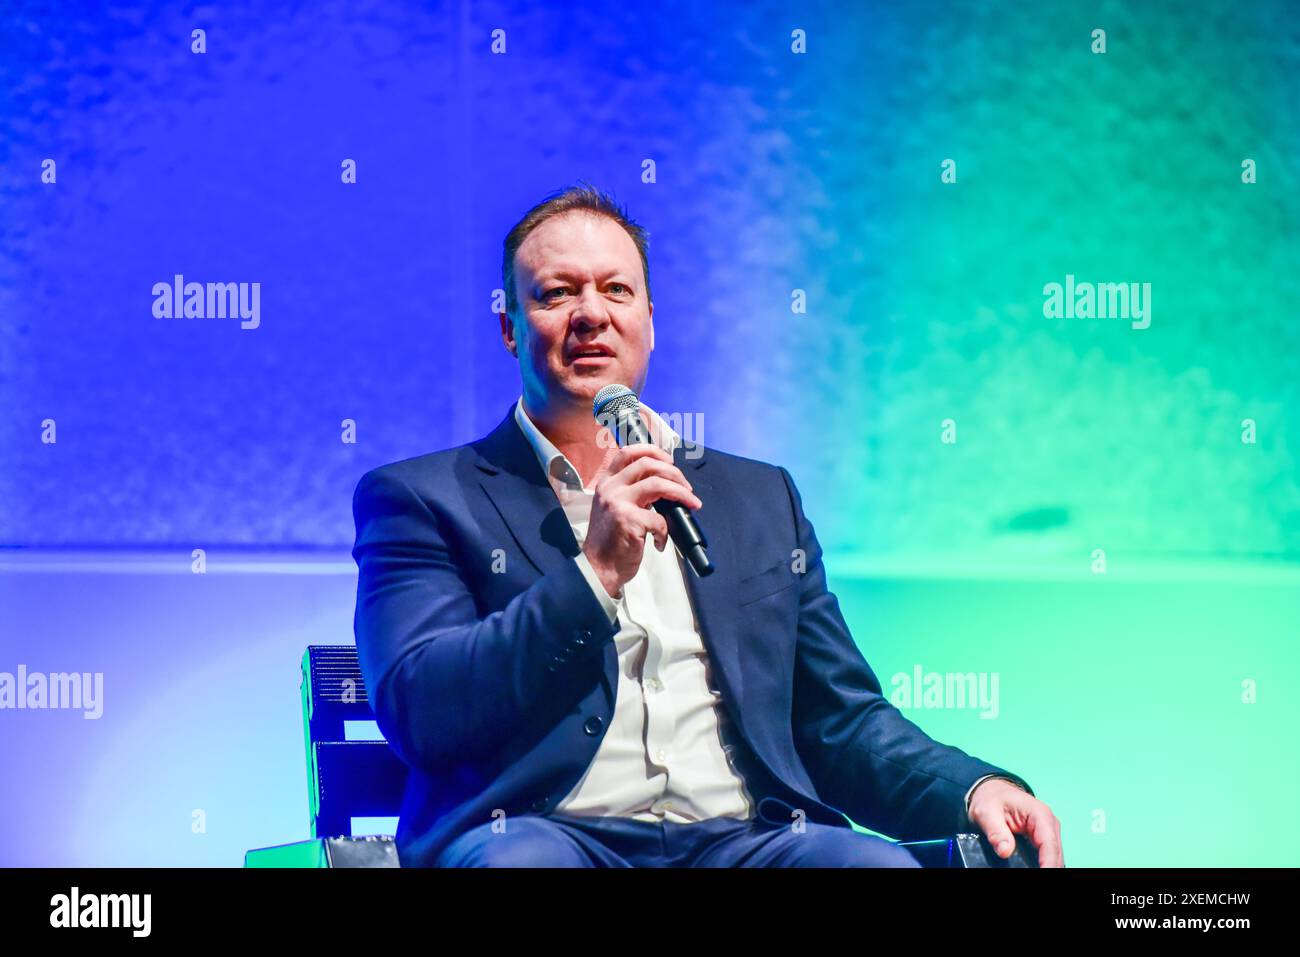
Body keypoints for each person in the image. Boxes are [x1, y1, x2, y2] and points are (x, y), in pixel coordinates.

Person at [350, 183, 1064, 868]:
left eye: (616, 290)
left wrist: (971, 788)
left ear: (650, 322)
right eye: (558, 292)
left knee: (864, 861)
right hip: (547, 835)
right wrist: (593, 574)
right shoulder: (423, 498)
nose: (591, 314)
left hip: (745, 840)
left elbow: (839, 718)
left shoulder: (757, 496)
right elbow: (425, 708)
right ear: (509, 328)